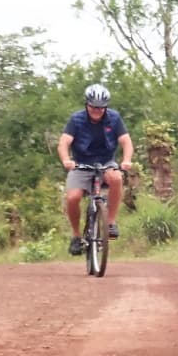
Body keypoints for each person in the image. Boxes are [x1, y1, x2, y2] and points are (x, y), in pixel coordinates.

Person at [57, 83, 133, 256]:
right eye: (93, 107)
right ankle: (76, 236)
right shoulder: (76, 119)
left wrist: (127, 160)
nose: (97, 111)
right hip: (81, 164)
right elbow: (64, 143)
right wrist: (66, 160)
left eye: (101, 108)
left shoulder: (114, 118)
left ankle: (111, 223)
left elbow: (126, 141)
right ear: (87, 104)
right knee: (73, 198)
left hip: (106, 162)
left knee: (117, 179)